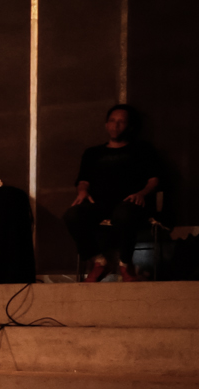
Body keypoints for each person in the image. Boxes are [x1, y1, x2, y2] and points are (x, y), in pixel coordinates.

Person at [67, 104, 163, 281]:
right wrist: (82, 191)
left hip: (130, 203)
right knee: (72, 215)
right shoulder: (93, 153)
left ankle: (125, 264)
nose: (115, 125)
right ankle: (100, 261)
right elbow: (83, 180)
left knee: (123, 214)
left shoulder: (143, 150)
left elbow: (154, 180)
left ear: (130, 126)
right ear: (106, 124)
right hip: (100, 203)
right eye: (112, 121)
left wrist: (142, 193)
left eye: (121, 122)